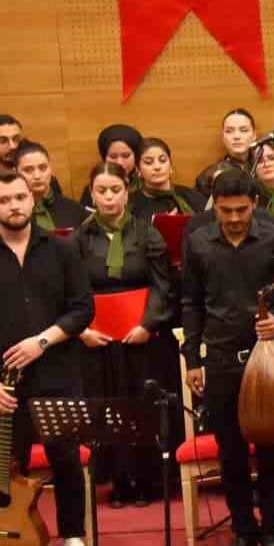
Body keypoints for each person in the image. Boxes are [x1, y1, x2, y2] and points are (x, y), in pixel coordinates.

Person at [0, 169, 95, 546]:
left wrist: (42, 341)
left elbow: (82, 309)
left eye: (20, 197)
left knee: (65, 458)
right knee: (10, 468)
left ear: (32, 199)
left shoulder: (62, 250)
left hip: (58, 374)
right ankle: (15, 543)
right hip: (2, 386)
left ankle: (73, 541)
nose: (14, 206)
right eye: (4, 200)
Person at [181, 168, 274, 546]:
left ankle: (272, 532)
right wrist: (193, 359)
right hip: (220, 359)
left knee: (272, 447)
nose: (234, 218)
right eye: (225, 211)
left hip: (267, 359)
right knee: (230, 451)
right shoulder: (198, 242)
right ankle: (243, 532)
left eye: (241, 210)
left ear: (255, 203)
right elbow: (191, 303)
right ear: (214, 207)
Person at [74, 163, 180, 506]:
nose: (109, 197)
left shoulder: (147, 234)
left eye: (115, 190)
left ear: (126, 191)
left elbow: (164, 286)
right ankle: (119, 481)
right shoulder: (79, 239)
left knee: (143, 407)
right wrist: (83, 330)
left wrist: (148, 325)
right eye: (101, 191)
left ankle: (149, 480)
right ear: (92, 194)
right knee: (109, 410)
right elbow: (69, 291)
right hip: (99, 342)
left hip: (141, 339)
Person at [0, 115, 62, 241]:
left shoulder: (45, 180)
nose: (12, 146)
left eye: (16, 139)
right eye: (3, 141)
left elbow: (61, 216)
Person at [14, 143, 88, 233]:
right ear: (16, 172)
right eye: (28, 170)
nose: (37, 176)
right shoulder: (12, 212)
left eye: (43, 168)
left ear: (51, 170)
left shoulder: (75, 210)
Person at [130, 138, 199, 219]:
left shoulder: (190, 195)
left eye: (162, 160)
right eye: (148, 162)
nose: (157, 167)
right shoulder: (131, 204)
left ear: (170, 166)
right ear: (138, 170)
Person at [79, 124, 143, 209]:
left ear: (136, 156)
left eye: (126, 156)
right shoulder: (95, 188)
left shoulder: (147, 187)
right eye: (113, 156)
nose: (120, 162)